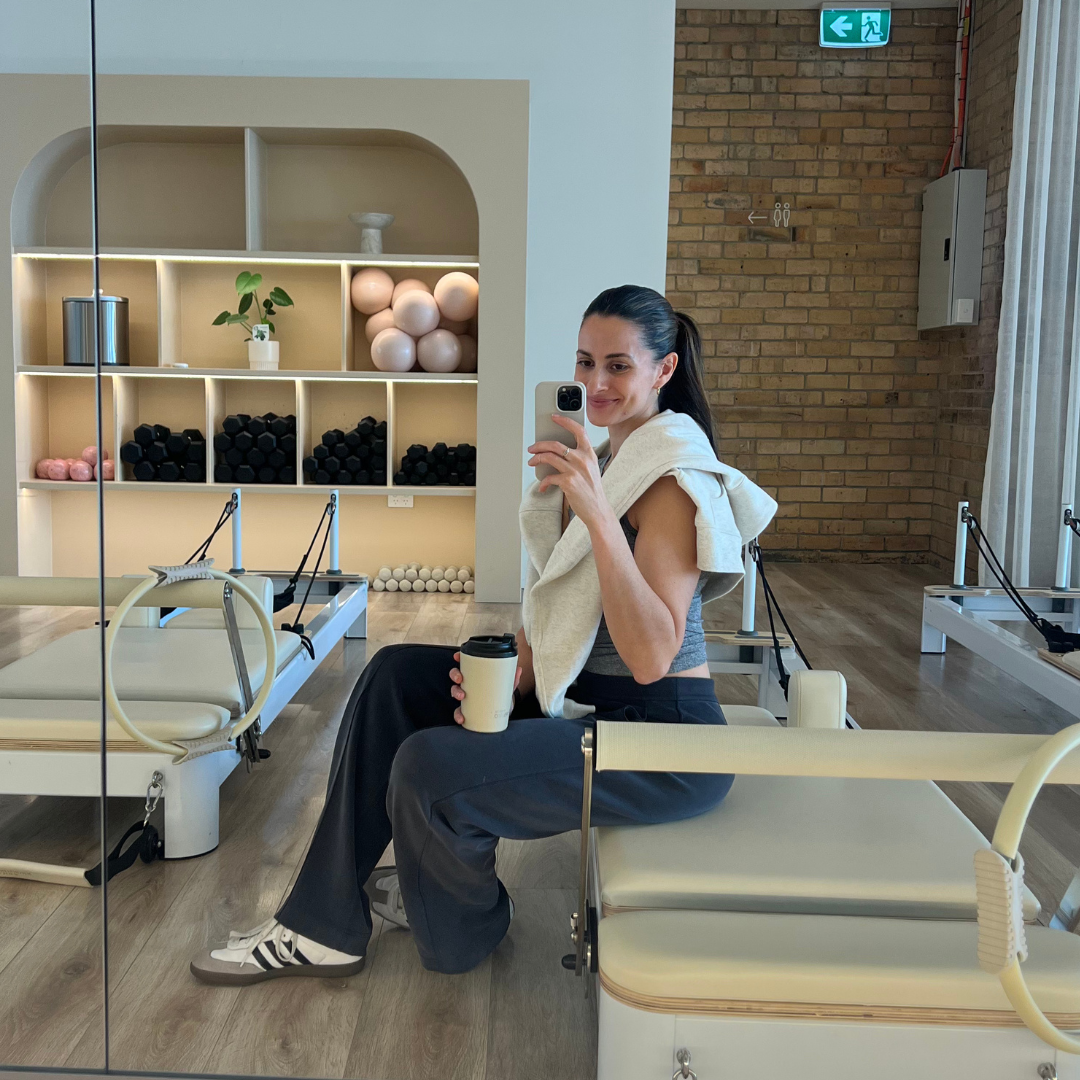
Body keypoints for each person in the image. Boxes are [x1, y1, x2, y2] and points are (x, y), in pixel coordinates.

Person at [190, 284, 774, 984]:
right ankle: (324, 925)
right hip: (586, 699)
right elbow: (568, 600)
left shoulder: (673, 481)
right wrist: (525, 657)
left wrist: (591, 512)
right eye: (585, 362)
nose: (595, 383)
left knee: (430, 770)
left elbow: (650, 656)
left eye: (618, 366)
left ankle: (470, 924)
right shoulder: (612, 461)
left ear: (664, 371)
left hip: (664, 742)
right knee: (393, 676)